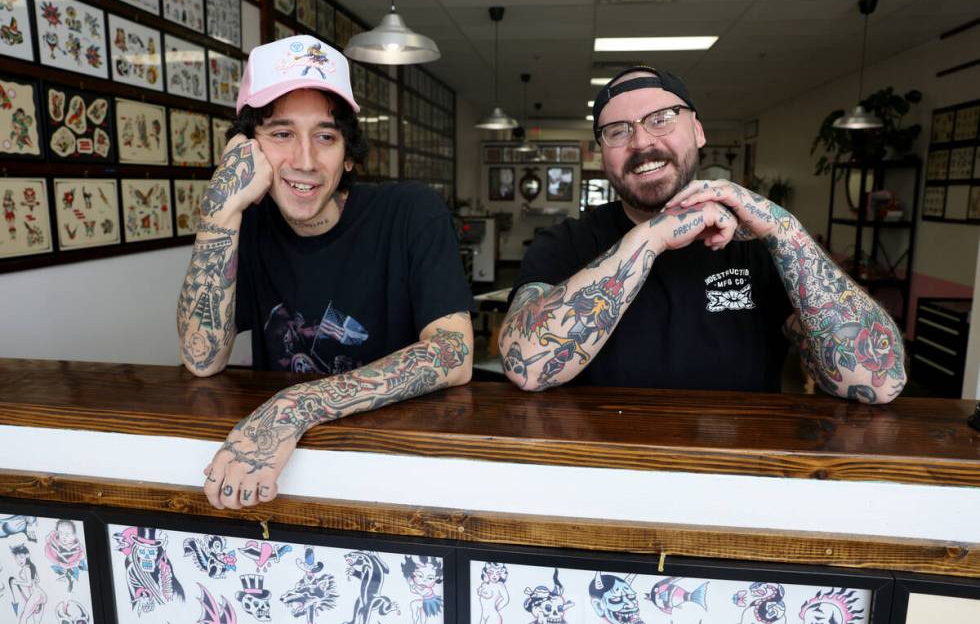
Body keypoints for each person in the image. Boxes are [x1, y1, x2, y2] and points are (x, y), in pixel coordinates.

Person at [176, 35, 473, 511]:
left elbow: (453, 353)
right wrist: (220, 209)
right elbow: (202, 357)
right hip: (287, 477)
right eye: (280, 134)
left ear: (348, 154)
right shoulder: (243, 225)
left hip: (398, 468)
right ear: (247, 150)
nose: (306, 160)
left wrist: (295, 406)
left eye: (326, 136)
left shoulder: (411, 212)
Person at [498, 66, 905, 403]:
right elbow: (527, 366)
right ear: (602, 153)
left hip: (737, 475)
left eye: (661, 119)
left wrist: (785, 229)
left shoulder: (761, 245)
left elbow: (877, 381)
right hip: (600, 473)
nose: (642, 142)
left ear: (698, 131)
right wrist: (652, 236)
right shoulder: (564, 244)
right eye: (618, 131)